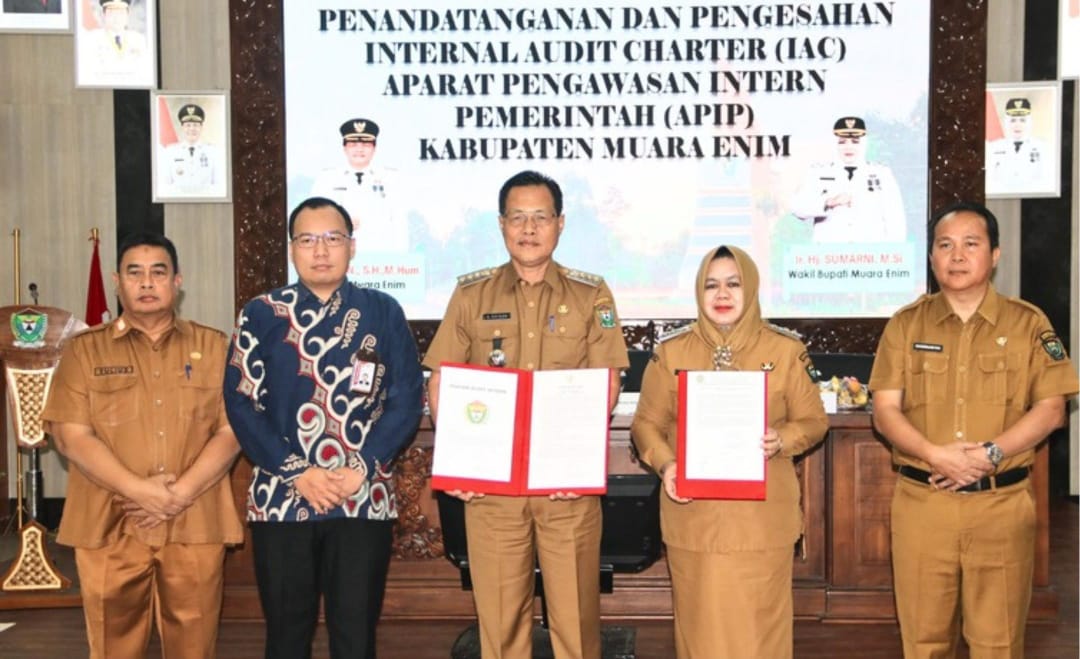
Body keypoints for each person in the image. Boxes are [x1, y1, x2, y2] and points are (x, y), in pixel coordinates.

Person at [422, 170, 629, 659]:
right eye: (518, 217)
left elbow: (607, 381)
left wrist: (574, 462)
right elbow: (442, 380)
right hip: (493, 490)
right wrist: (460, 462)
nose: (529, 228)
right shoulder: (471, 295)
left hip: (566, 489)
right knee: (499, 625)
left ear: (560, 223)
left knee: (575, 622)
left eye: (541, 217)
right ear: (501, 225)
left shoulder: (591, 294)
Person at [869, 201, 1079, 659]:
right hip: (924, 505)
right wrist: (935, 454)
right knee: (923, 643)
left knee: (998, 643)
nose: (957, 256)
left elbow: (1052, 409)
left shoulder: (1028, 323)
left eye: (971, 244)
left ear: (995, 254)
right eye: (945, 245)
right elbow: (884, 411)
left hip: (1000, 508)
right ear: (931, 257)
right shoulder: (906, 324)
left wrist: (991, 454)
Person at [224, 196, 423, 659]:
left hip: (362, 495)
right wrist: (298, 471)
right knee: (286, 637)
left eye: (332, 238)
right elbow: (241, 403)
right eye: (307, 240)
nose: (320, 250)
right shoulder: (261, 312)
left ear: (352, 247)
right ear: (292, 249)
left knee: (355, 636)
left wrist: (361, 467)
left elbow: (406, 400)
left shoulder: (383, 311)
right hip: (282, 498)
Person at [41, 232, 243, 659]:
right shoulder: (84, 351)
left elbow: (233, 431)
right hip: (109, 522)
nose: (147, 282)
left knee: (195, 646)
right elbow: (70, 436)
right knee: (112, 646)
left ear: (177, 282)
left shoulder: (214, 347)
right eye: (135, 273)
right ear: (117, 282)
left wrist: (178, 494)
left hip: (194, 520)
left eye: (158, 272)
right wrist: (141, 491)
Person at [630, 245, 829, 659]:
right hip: (694, 518)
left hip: (761, 521)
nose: (722, 294)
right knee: (700, 630)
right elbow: (645, 424)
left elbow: (814, 421)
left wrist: (782, 438)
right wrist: (666, 464)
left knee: (761, 634)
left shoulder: (785, 350)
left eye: (733, 284)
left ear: (750, 288)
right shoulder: (672, 352)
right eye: (711, 285)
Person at [790, 116, 907, 243]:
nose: (848, 147)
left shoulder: (881, 174)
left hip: (870, 252)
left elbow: (895, 220)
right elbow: (798, 208)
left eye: (855, 142)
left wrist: (893, 251)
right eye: (842, 142)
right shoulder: (818, 173)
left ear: (863, 144)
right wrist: (828, 202)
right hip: (829, 252)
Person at [310, 118, 408, 254]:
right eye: (353, 144)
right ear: (344, 148)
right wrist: (340, 223)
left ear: (374, 148)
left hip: (381, 257)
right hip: (338, 256)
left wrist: (401, 258)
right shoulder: (327, 179)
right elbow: (314, 219)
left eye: (366, 144)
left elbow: (400, 225)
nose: (359, 149)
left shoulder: (391, 179)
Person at [986, 97, 1050, 194]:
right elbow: (989, 182)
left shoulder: (1043, 148)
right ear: (1006, 123)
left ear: (1030, 123)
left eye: (1022, 120)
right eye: (1013, 120)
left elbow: (1046, 182)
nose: (1017, 125)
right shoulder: (993, 148)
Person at [160, 103, 223, 197]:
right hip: (178, 202)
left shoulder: (213, 152)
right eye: (188, 125)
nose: (192, 129)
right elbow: (165, 186)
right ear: (182, 127)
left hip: (206, 202)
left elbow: (219, 186)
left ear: (201, 127)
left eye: (195, 125)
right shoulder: (170, 152)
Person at [78, 0, 148, 75]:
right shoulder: (92, 40)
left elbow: (143, 70)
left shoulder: (138, 40)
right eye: (111, 13)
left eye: (120, 13)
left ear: (127, 15)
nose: (116, 18)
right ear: (104, 15)